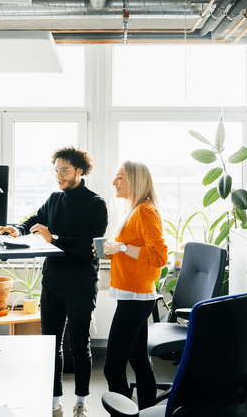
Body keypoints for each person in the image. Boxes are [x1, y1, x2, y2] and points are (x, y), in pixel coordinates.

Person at [0, 146, 108, 417]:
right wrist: (18, 228)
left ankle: (81, 403)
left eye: (64, 170)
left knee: (80, 346)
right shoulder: (54, 198)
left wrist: (54, 238)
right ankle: (54, 402)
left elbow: (89, 248)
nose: (59, 175)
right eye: (56, 169)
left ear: (80, 171)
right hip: (54, 282)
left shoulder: (96, 204)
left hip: (81, 283)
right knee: (50, 344)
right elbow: (36, 220)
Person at [96, 161, 168, 410]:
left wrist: (122, 247)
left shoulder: (145, 211)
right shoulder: (135, 210)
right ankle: (146, 412)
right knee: (138, 360)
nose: (114, 183)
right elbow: (136, 251)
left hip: (137, 297)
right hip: (134, 294)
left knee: (112, 367)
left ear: (135, 181)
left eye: (119, 178)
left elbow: (158, 257)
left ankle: (123, 413)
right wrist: (114, 251)